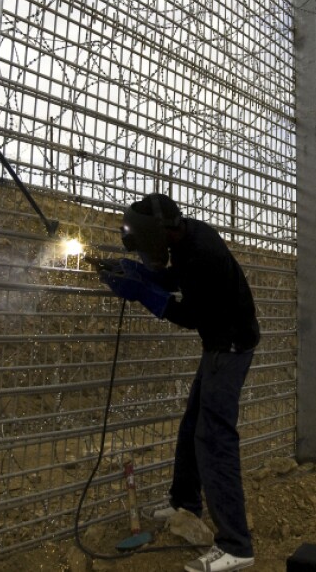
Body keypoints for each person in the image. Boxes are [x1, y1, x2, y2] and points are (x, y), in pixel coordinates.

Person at [98, 193, 259, 572]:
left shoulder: (202, 250)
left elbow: (192, 314)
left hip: (230, 345)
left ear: (158, 232)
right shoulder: (185, 239)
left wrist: (143, 293)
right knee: (193, 426)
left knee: (214, 437)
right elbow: (177, 278)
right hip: (220, 342)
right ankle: (185, 504)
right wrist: (139, 273)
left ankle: (236, 545)